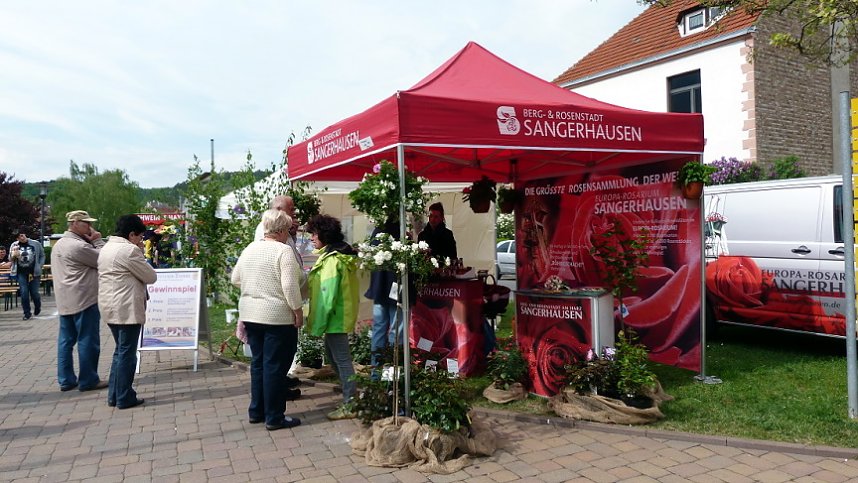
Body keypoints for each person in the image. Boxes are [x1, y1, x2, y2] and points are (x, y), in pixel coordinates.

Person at [231, 209, 304, 430]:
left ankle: (257, 410)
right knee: (275, 365)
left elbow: (235, 279)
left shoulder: (250, 249)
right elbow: (290, 287)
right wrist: (298, 311)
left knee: (259, 363)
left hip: (251, 314)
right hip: (276, 316)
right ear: (282, 230)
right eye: (288, 230)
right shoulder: (283, 252)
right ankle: (274, 416)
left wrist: (256, 289)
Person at [98, 215, 157, 409]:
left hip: (110, 306)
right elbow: (150, 276)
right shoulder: (129, 250)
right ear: (131, 234)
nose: (141, 241)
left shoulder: (106, 247)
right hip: (126, 307)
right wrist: (141, 254)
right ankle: (124, 396)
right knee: (128, 354)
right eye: (139, 237)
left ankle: (114, 395)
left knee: (119, 351)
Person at [306, 214, 359, 420]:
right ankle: (349, 398)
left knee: (342, 361)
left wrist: (316, 325)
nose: (311, 238)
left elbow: (326, 297)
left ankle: (351, 403)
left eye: (314, 234)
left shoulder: (332, 260)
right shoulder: (338, 255)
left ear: (324, 235)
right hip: (337, 316)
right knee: (335, 358)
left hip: (334, 318)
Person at [52, 210, 108, 392]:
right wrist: (98, 240)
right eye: (86, 223)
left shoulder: (59, 244)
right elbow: (104, 259)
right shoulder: (78, 246)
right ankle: (88, 379)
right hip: (83, 299)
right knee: (88, 340)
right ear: (74, 223)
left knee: (65, 341)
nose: (90, 227)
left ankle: (66, 380)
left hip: (64, 299)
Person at [364, 217, 402, 379]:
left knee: (380, 330)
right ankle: (391, 378)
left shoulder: (376, 234)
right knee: (395, 333)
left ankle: (376, 375)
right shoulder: (397, 234)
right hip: (394, 291)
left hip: (380, 289)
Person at [9, 226, 45, 321]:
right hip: (21, 272)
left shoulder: (35, 244)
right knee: (24, 293)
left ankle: (37, 306)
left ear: (25, 234)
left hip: (34, 272)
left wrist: (40, 265)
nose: (22, 237)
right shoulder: (14, 245)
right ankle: (27, 313)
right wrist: (13, 256)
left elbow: (42, 255)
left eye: (22, 235)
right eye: (19, 237)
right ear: (17, 239)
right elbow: (10, 259)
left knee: (34, 293)